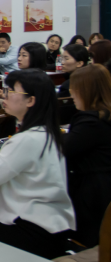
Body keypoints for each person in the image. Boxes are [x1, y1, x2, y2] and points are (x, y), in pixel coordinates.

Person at [0, 70, 75, 260]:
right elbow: (25, 161)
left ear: (30, 100)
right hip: (53, 227)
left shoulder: (27, 139)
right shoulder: (47, 132)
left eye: (11, 91)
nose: (5, 95)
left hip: (33, 230)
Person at [65, 64, 111, 247]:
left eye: (74, 90)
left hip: (93, 191)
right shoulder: (105, 115)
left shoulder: (91, 122)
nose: (71, 95)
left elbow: (63, 149)